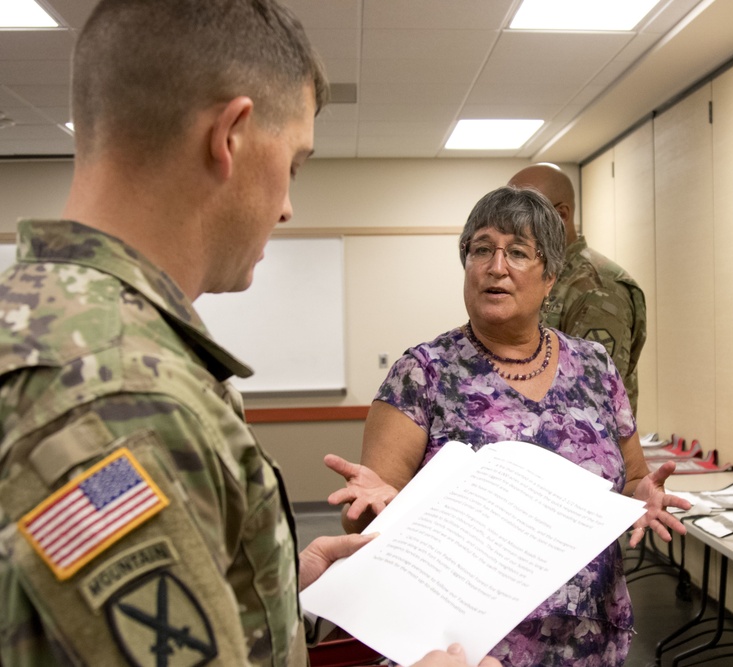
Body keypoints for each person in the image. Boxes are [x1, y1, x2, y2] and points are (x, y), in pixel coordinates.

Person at [0, 1, 496, 666]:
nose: (289, 204)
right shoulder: (122, 393)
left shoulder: (45, 318)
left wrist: (278, 597)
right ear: (230, 135)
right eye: (293, 163)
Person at [332, 185, 690, 667]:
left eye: (518, 252)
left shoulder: (594, 367)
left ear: (550, 278)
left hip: (588, 641)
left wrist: (639, 498)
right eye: (481, 249)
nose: (495, 267)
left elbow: (628, 479)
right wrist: (366, 510)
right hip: (464, 651)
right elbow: (371, 521)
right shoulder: (424, 373)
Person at [507, 164, 647, 416]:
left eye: (524, 213)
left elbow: (591, 400)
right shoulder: (541, 274)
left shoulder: (596, 287)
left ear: (561, 215)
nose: (511, 226)